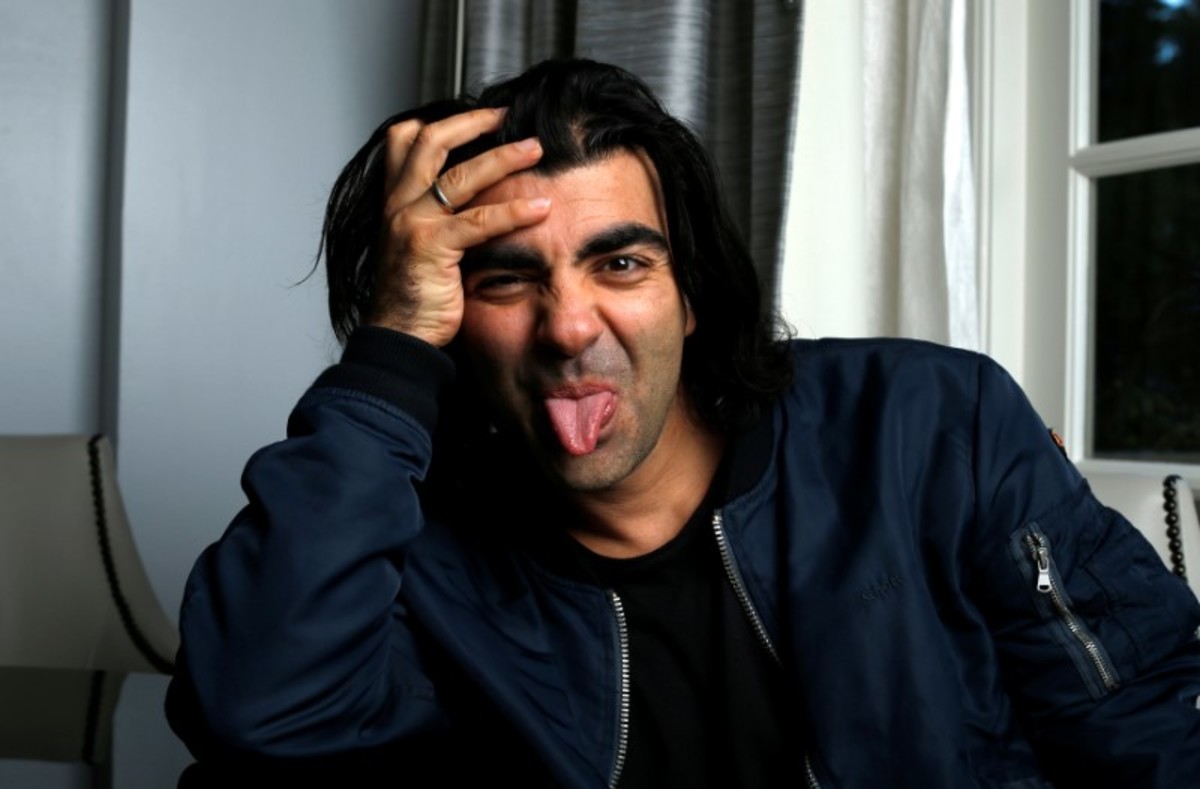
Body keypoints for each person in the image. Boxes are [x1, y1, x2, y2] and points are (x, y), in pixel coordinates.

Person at [166, 59, 1200, 787]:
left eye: (621, 263)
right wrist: (391, 350)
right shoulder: (411, 555)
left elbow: (1144, 720)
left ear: (691, 293)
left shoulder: (930, 424)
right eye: (506, 280)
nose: (571, 327)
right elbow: (257, 719)